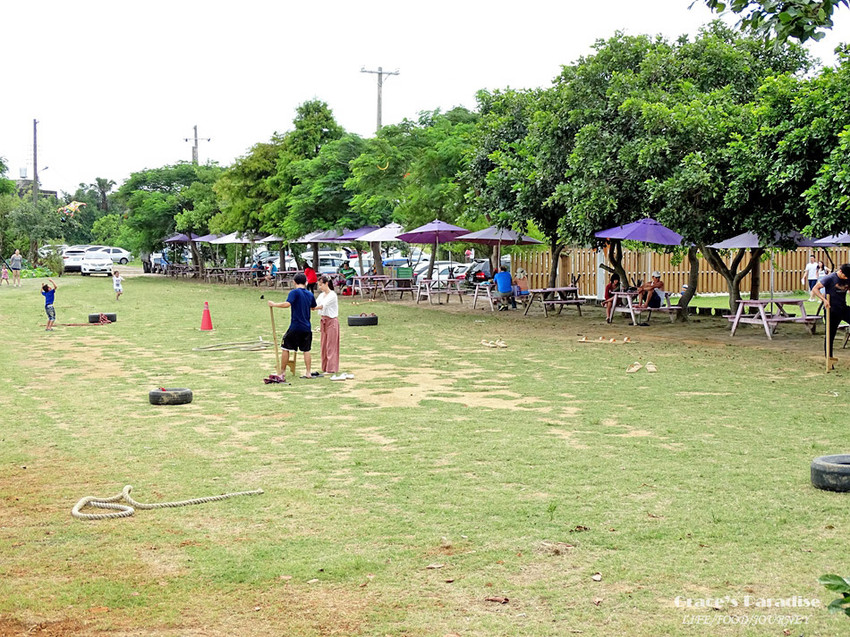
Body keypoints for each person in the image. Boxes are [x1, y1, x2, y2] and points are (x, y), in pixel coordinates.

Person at [267, 272, 317, 379]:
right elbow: (313, 307)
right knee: (306, 350)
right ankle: (308, 372)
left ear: (294, 282)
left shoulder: (294, 292)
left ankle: (282, 372)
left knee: (285, 347)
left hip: (295, 326)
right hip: (307, 327)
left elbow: (287, 304)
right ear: (305, 282)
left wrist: (274, 304)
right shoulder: (310, 294)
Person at [812, 263, 850, 365]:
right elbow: (815, 289)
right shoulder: (830, 278)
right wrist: (824, 300)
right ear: (840, 271)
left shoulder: (847, 277)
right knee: (830, 335)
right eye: (845, 276)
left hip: (843, 308)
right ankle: (829, 358)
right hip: (831, 310)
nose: (846, 278)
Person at [314, 275, 340, 374]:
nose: (319, 287)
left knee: (331, 345)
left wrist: (313, 308)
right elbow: (316, 304)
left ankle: (331, 368)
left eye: (321, 285)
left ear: (326, 284)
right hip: (323, 321)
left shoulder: (332, 295)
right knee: (323, 344)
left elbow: (322, 306)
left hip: (331, 321)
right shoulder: (321, 295)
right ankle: (325, 367)